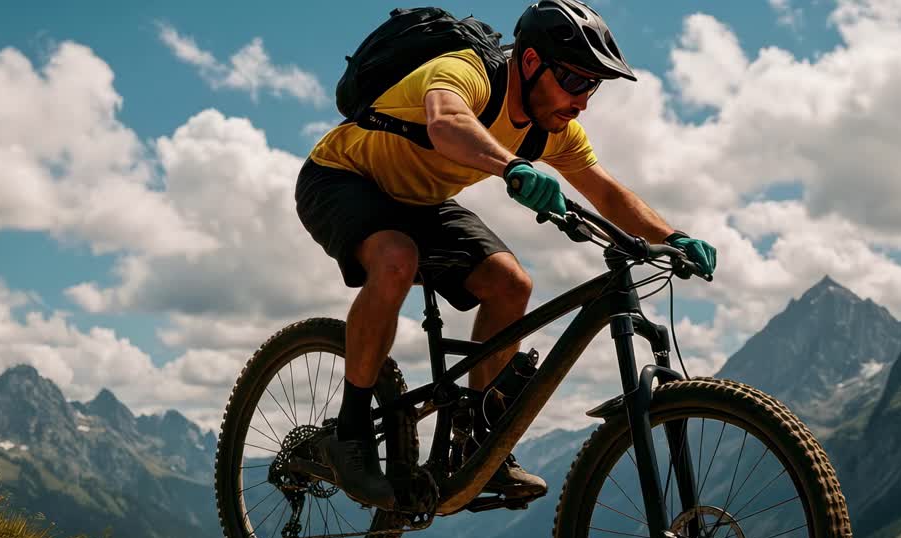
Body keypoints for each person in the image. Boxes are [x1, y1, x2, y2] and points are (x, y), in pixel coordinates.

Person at [295, 0, 717, 510]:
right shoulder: (466, 72)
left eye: (593, 87)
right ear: (533, 61)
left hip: (420, 199)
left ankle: (475, 439)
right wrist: (512, 165)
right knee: (395, 260)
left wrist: (673, 236)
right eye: (576, 82)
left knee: (510, 283)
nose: (582, 102)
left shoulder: (553, 128)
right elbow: (447, 122)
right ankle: (351, 430)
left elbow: (604, 192)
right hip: (340, 178)